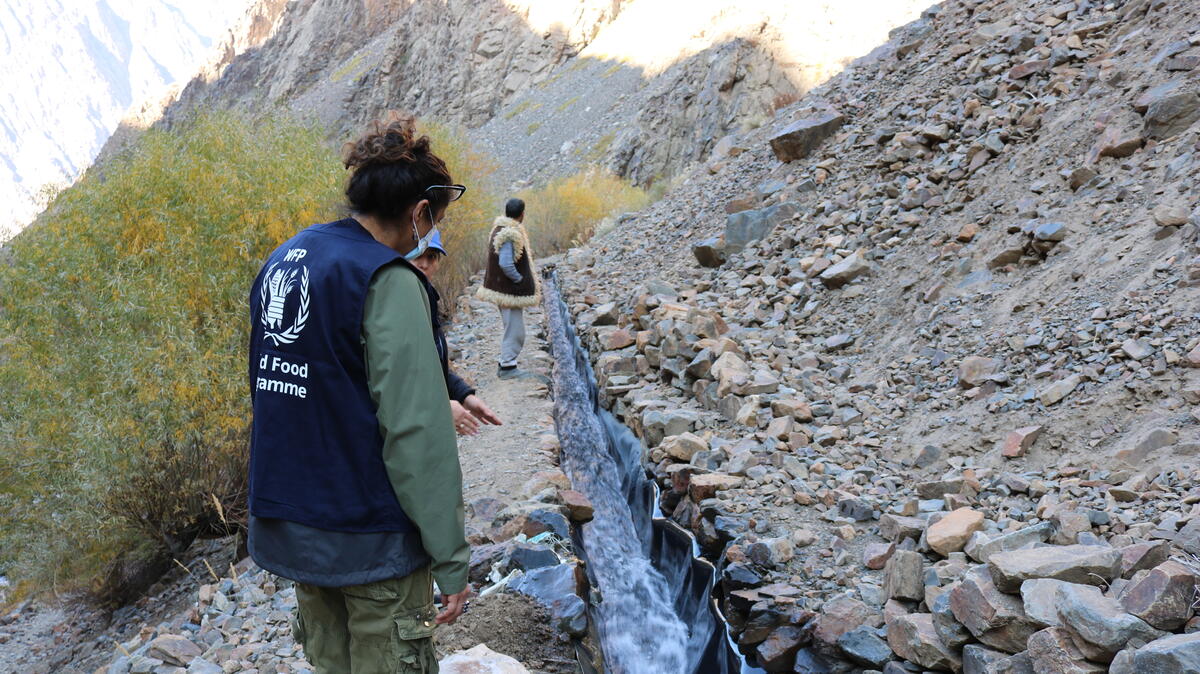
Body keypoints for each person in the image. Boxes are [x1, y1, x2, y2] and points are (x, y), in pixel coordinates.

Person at [247, 114, 470, 674]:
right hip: (370, 535)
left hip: (297, 525)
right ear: (420, 212)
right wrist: (451, 560)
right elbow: (416, 432)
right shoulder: (388, 279)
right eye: (435, 220)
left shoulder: (288, 256)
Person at [410, 232, 502, 435]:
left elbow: (431, 366)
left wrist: (464, 395)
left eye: (432, 257)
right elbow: (396, 377)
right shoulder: (399, 303)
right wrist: (438, 406)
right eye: (418, 254)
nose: (424, 264)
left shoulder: (426, 296)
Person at [476, 198, 539, 379]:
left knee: (511, 326)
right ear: (522, 214)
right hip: (508, 291)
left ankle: (506, 361)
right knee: (515, 330)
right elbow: (505, 263)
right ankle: (507, 367)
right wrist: (519, 279)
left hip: (503, 290)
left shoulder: (500, 229)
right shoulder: (509, 233)